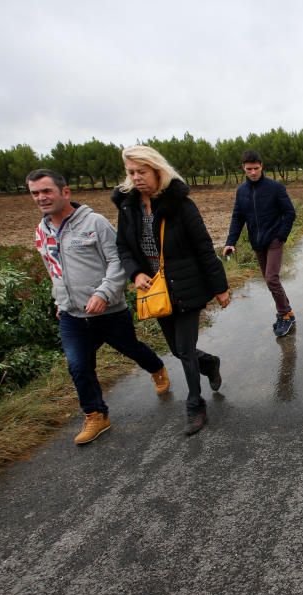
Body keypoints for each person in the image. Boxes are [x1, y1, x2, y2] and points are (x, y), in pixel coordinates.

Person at [27, 169, 169, 446]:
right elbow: (54, 270)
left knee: (133, 349)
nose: (41, 198)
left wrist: (104, 293)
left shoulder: (94, 223)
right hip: (72, 314)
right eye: (35, 193)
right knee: (78, 365)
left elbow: (118, 261)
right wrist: (60, 300)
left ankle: (157, 368)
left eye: (46, 191)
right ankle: (96, 414)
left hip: (109, 311)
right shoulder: (41, 233)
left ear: (65, 192)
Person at [114, 146, 230, 436]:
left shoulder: (181, 204)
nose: (136, 178)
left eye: (142, 172)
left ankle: (195, 406)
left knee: (186, 349)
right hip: (156, 290)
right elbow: (123, 247)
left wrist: (220, 287)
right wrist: (136, 273)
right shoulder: (129, 208)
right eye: (131, 173)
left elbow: (204, 247)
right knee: (178, 350)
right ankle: (210, 362)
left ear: (157, 171)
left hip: (187, 285)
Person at [224, 150, 297, 337]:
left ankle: (284, 316)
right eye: (249, 169)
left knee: (272, 278)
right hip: (257, 242)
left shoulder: (275, 188)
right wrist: (230, 241)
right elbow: (237, 218)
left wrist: (281, 236)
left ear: (262, 166)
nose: (253, 172)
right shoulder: (241, 191)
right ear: (243, 168)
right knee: (269, 280)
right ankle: (287, 311)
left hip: (274, 239)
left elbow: (289, 213)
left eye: (256, 168)